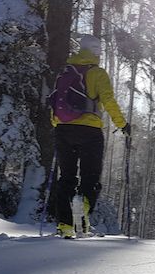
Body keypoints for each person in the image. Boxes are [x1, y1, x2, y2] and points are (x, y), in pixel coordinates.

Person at [50, 34, 130, 238]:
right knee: (91, 177)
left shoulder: (64, 72)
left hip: (63, 130)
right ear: (95, 51)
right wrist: (123, 125)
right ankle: (83, 210)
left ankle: (65, 225)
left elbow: (56, 102)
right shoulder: (97, 73)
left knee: (66, 177)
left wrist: (57, 125)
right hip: (89, 131)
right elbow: (109, 101)